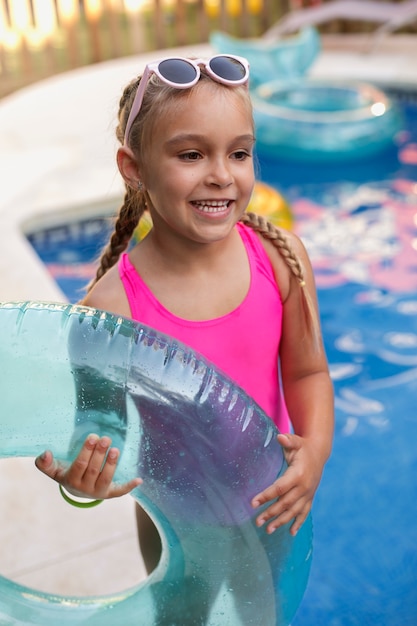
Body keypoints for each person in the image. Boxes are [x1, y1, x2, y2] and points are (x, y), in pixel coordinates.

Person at [35, 54, 333, 584]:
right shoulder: (112, 310)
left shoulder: (280, 257)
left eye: (239, 153)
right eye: (192, 154)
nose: (221, 175)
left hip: (270, 510)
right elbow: (97, 436)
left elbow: (308, 373)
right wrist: (81, 486)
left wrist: (314, 453)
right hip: (175, 527)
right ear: (134, 167)